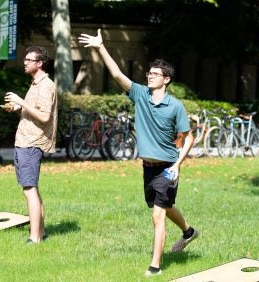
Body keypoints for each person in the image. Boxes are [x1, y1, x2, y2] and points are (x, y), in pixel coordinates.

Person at [79, 29, 199, 276]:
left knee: (158, 216)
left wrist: (177, 165)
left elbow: (189, 138)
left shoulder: (175, 106)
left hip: (167, 167)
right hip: (148, 167)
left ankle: (155, 267)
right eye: (149, 73)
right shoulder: (140, 95)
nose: (150, 77)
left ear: (166, 79)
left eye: (156, 74)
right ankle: (189, 232)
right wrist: (100, 47)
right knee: (162, 207)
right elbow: (116, 74)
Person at [3, 46, 57, 244]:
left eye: (28, 60)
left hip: (31, 142)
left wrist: (21, 102)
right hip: (25, 141)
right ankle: (40, 233)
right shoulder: (35, 84)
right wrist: (17, 107)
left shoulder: (45, 85)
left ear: (39, 63)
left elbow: (44, 116)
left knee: (29, 189)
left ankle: (34, 238)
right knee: (32, 187)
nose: (24, 62)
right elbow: (36, 110)